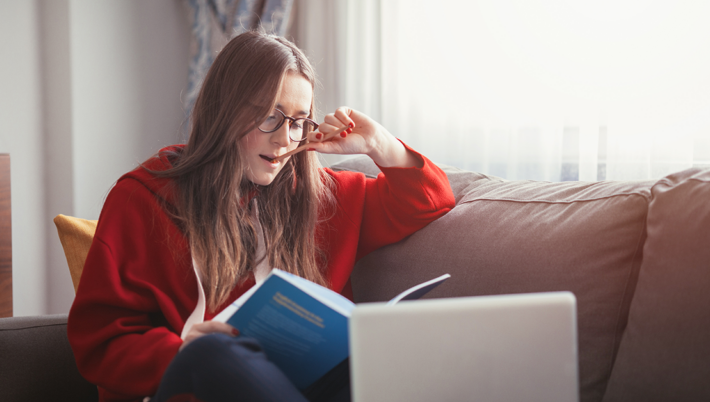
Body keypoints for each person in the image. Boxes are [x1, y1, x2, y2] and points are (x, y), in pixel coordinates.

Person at [67, 31, 455, 402]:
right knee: (213, 354)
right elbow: (99, 342)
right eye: (270, 116)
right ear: (225, 110)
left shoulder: (323, 196)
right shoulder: (142, 198)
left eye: (300, 121)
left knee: (377, 352)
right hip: (194, 385)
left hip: (302, 386)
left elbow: (430, 199)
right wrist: (181, 349)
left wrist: (377, 143)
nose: (285, 137)